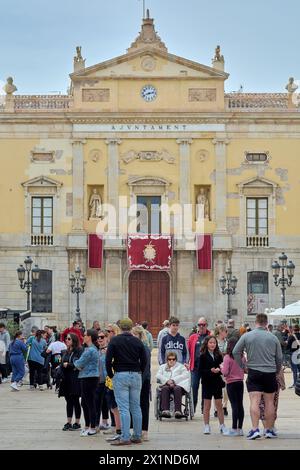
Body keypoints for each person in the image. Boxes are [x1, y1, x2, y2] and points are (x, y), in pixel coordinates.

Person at [233, 313, 282, 439]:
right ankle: (269, 430)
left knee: (254, 401)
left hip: (254, 371)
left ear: (256, 322)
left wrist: (242, 366)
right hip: (270, 373)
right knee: (269, 402)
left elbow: (235, 351)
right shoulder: (273, 338)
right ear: (266, 323)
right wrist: (276, 370)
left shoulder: (247, 336)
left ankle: (255, 429)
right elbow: (279, 357)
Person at [105, 318, 147, 446]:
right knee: (136, 407)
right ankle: (137, 435)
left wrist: (111, 375)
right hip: (135, 375)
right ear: (130, 328)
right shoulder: (137, 342)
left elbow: (108, 360)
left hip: (121, 374)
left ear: (120, 328)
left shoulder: (115, 341)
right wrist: (139, 371)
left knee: (123, 408)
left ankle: (125, 437)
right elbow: (144, 360)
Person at [74, 329, 100, 436]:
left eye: (85, 335)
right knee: (85, 402)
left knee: (89, 403)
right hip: (90, 377)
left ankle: (92, 426)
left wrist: (75, 361)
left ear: (89, 337)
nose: (83, 337)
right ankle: (88, 425)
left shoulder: (90, 350)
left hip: (88, 377)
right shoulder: (92, 349)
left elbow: (78, 364)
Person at [199, 336, 226, 435]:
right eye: (210, 343)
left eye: (214, 343)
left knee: (219, 404)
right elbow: (200, 370)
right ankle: (206, 425)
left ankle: (222, 425)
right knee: (207, 405)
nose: (212, 344)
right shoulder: (203, 356)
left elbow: (222, 366)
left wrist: (219, 370)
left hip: (217, 382)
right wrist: (210, 371)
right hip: (207, 383)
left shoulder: (219, 355)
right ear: (207, 343)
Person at [59, 333, 83, 431]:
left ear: (73, 340)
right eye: (66, 338)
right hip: (66, 379)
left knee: (75, 400)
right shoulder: (66, 351)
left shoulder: (79, 350)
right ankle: (68, 421)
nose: (66, 340)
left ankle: (77, 422)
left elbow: (79, 364)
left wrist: (68, 365)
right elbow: (61, 362)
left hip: (75, 378)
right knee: (68, 401)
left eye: (69, 339)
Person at [221, 338, 245, 436]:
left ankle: (234, 428)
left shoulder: (227, 357)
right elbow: (245, 368)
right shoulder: (242, 356)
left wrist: (221, 368)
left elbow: (225, 372)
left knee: (234, 406)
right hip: (240, 382)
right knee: (240, 405)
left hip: (231, 383)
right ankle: (240, 428)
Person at [156, 351, 191, 419]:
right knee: (165, 389)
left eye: (173, 359)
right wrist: (167, 380)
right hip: (167, 385)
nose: (171, 361)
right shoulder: (163, 367)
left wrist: (174, 380)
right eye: (169, 359)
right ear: (167, 360)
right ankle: (166, 411)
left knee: (177, 389)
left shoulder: (181, 366)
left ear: (176, 360)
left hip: (178, 385)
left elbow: (186, 375)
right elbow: (158, 375)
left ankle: (178, 411)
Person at [132, 325, 151, 441]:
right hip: (136, 379)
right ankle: (136, 430)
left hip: (143, 379)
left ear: (139, 335)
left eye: (134, 334)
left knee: (143, 405)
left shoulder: (144, 348)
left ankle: (144, 431)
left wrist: (140, 380)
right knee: (135, 405)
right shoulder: (134, 347)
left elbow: (146, 367)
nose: (133, 337)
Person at [187, 317, 210, 412]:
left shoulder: (210, 336)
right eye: (199, 325)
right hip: (195, 368)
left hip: (207, 368)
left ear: (206, 325)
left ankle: (204, 408)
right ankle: (193, 407)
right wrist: (187, 362)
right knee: (194, 387)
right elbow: (188, 350)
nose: (201, 327)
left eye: (203, 325)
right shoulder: (193, 337)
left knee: (205, 389)